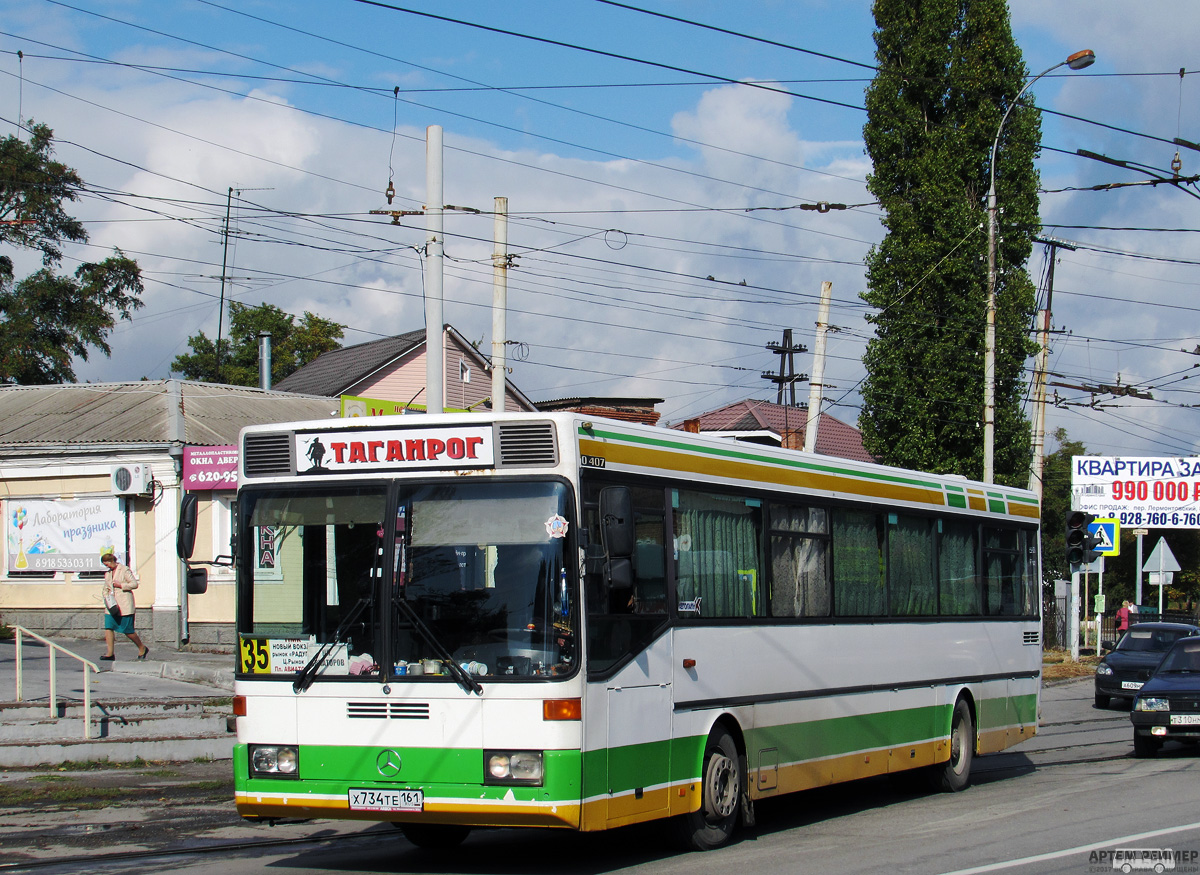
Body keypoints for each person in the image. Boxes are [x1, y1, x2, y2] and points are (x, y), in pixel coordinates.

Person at [100, 552, 149, 661]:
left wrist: (121, 585)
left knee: (128, 630)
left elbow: (134, 584)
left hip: (124, 605)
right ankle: (110, 653)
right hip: (112, 605)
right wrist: (106, 596)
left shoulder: (124, 570)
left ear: (111, 561)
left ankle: (142, 648)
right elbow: (105, 588)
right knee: (109, 627)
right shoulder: (108, 573)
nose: (106, 566)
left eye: (107, 564)